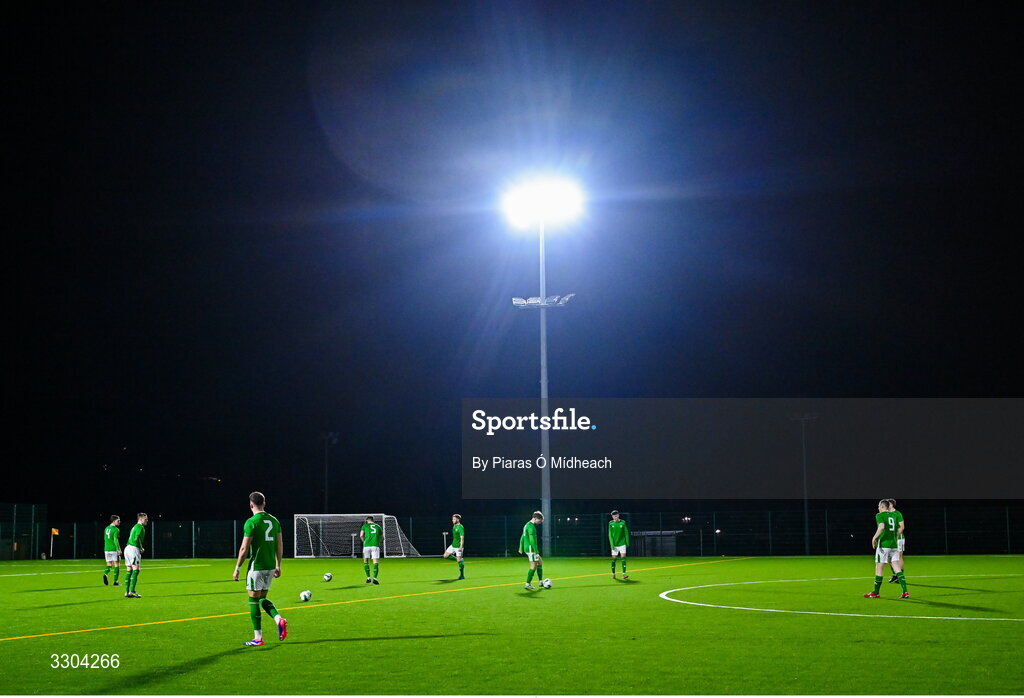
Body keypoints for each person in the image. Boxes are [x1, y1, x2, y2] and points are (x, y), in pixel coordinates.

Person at [233, 491, 287, 646]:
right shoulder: (274, 521)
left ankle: (258, 638)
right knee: (262, 598)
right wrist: (278, 564)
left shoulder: (251, 522)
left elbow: (244, 548)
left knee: (253, 600)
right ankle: (278, 619)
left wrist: (237, 568)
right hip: (270, 566)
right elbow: (280, 544)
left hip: (257, 566)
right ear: (264, 503)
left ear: (251, 505)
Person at [865, 499, 909, 599]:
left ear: (882, 507)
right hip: (893, 545)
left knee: (879, 568)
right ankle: (905, 592)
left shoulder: (879, 515)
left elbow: (881, 527)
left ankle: (876, 592)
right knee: (897, 568)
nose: (878, 508)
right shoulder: (893, 515)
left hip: (883, 545)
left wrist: (874, 537)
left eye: (879, 506)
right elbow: (898, 528)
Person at [122, 513, 147, 598]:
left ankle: (127, 592)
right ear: (140, 519)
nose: (147, 520)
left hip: (127, 548)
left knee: (129, 570)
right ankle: (132, 591)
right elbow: (137, 538)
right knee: (136, 570)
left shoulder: (134, 526)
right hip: (133, 549)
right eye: (145, 519)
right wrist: (141, 548)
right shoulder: (140, 527)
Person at [518, 511, 544, 590]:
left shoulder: (527, 525)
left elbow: (523, 536)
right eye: (539, 521)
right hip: (531, 549)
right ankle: (527, 584)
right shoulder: (531, 527)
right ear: (535, 519)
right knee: (533, 566)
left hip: (527, 548)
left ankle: (540, 581)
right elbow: (532, 540)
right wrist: (536, 551)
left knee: (540, 562)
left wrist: (520, 547)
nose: (539, 523)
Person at [887, 499, 906, 584]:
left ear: (891, 504)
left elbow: (901, 527)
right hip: (889, 540)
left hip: (898, 539)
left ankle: (900, 576)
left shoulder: (897, 513)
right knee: (889, 558)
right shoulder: (886, 514)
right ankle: (895, 574)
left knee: (898, 557)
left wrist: (895, 536)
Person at [360, 515, 382, 584]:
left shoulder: (364, 526)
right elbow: (382, 537)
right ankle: (375, 578)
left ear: (367, 521)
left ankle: (368, 578)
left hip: (366, 546)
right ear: (373, 520)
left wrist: (364, 541)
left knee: (366, 561)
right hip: (375, 545)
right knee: (375, 562)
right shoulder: (378, 526)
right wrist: (378, 541)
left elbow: (361, 535)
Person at [608, 510, 630, 579]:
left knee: (623, 558)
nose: (615, 516)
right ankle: (613, 574)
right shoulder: (610, 523)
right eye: (613, 516)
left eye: (616, 515)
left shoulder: (623, 522)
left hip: (622, 543)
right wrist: (612, 544)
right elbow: (610, 535)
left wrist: (627, 542)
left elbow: (626, 532)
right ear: (612, 516)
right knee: (614, 559)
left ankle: (624, 574)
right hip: (614, 544)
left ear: (618, 515)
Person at [443, 514, 465, 580]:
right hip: (453, 545)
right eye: (452, 519)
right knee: (445, 556)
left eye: (454, 519)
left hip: (458, 547)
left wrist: (461, 547)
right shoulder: (454, 526)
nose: (452, 520)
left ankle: (462, 575)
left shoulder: (460, 527)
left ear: (458, 519)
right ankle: (460, 560)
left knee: (459, 562)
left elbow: (462, 538)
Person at [102, 515, 122, 587]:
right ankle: (115, 581)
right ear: (114, 521)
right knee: (117, 565)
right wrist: (118, 549)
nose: (119, 522)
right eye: (118, 521)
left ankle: (105, 574)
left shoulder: (106, 528)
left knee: (109, 565)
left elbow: (105, 539)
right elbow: (115, 540)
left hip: (107, 549)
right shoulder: (116, 529)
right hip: (113, 549)